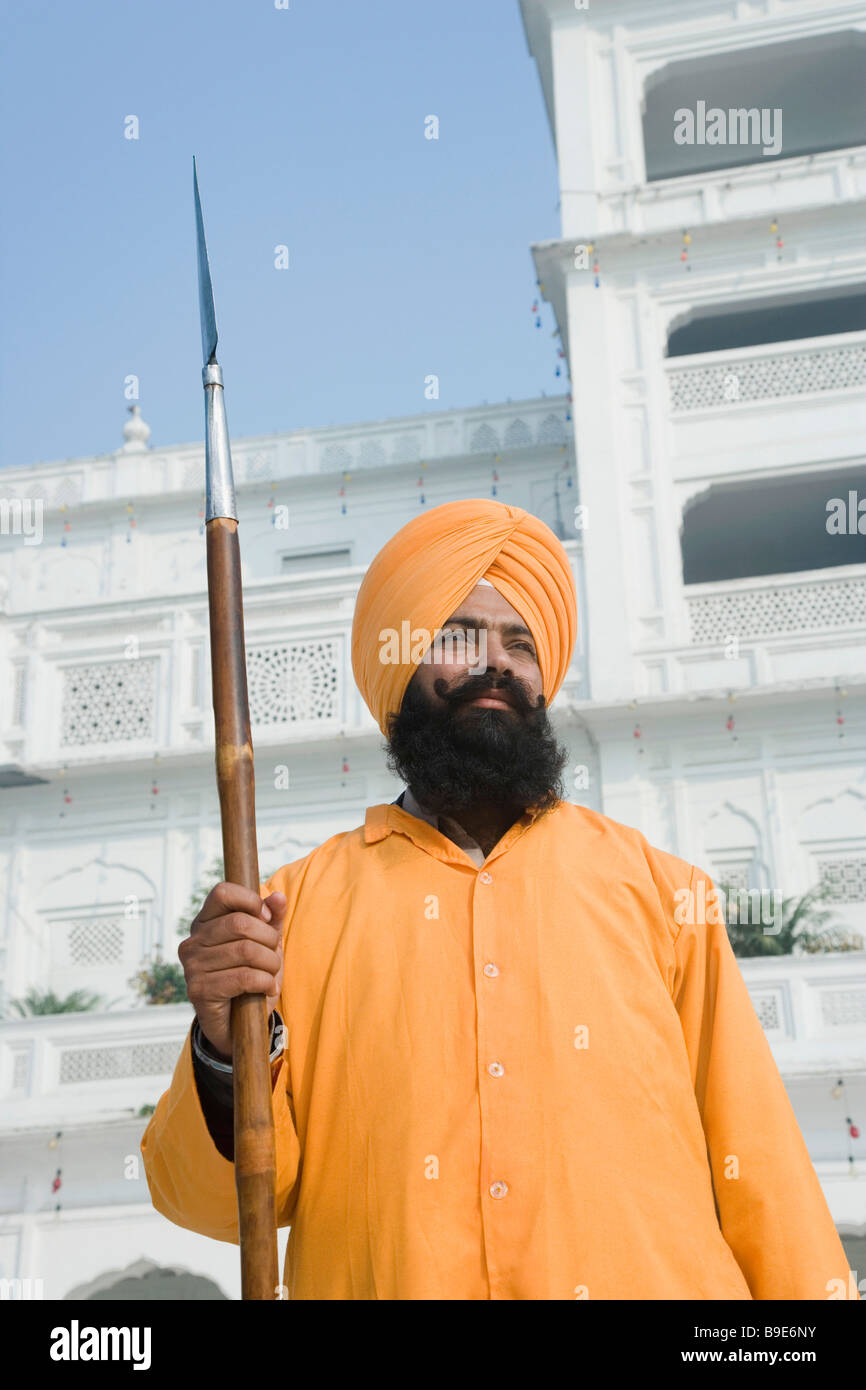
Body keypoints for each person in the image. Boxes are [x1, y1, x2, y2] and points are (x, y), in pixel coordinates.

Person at [141, 498, 854, 1300]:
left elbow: (759, 1167)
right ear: (398, 666)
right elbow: (223, 1203)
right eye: (458, 636)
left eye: (521, 643)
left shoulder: (661, 894)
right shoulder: (288, 915)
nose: (497, 665)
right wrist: (222, 1046)